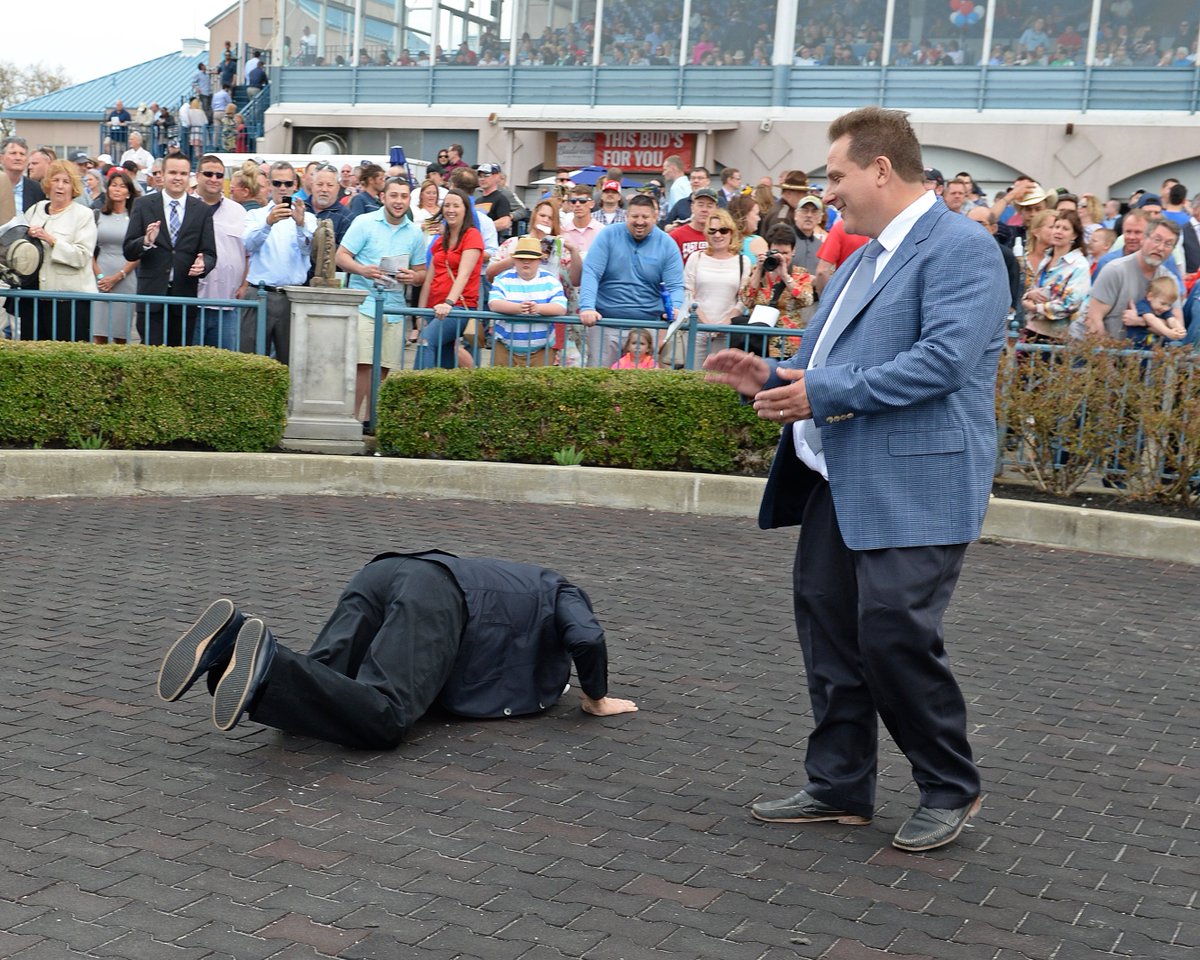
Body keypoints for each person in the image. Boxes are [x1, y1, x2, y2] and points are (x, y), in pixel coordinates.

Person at [704, 106, 1010, 853]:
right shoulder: (862, 259)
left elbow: (943, 362)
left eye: (837, 176)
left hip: (918, 485)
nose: (828, 191)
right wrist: (771, 376)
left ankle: (949, 786)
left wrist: (821, 392)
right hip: (837, 479)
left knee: (893, 635)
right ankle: (840, 785)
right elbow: (822, 365)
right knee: (832, 632)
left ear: (880, 168)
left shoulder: (964, 248)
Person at [156, 551, 637, 748]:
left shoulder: (528, 582)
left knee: (324, 688)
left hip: (384, 570)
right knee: (386, 717)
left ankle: (227, 649)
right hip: (437, 593)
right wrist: (595, 696)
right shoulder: (561, 589)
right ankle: (267, 657)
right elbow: (586, 637)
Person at [335, 176, 428, 418]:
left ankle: (372, 420)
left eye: (404, 196)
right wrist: (362, 270)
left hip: (395, 308)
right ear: (383, 197)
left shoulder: (415, 233)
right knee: (363, 364)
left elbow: (422, 272)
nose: (399, 201)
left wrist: (413, 277)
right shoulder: (364, 222)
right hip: (364, 304)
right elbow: (341, 256)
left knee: (385, 367)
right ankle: (352, 419)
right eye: (394, 195)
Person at [578, 193, 684, 369]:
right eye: (635, 216)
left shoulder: (667, 244)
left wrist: (675, 307)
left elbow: (675, 285)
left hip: (647, 327)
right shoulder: (608, 235)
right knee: (598, 378)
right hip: (606, 323)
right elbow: (591, 272)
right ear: (626, 215)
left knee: (643, 383)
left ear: (655, 217)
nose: (639, 221)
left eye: (645, 217)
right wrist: (587, 307)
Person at [123, 153, 217, 346]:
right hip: (151, 296)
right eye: (173, 172)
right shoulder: (143, 205)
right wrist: (146, 241)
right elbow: (129, 250)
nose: (177, 178)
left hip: (184, 297)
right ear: (163, 175)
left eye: (183, 173)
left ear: (189, 176)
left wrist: (203, 264)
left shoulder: (201, 210)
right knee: (151, 355)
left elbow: (210, 253)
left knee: (180, 356)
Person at [240, 161, 316, 363]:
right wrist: (268, 223)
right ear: (269, 184)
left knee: (292, 362)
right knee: (252, 362)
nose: (283, 188)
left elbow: (309, 250)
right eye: (277, 183)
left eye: (288, 183)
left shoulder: (308, 218)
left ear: (295, 186)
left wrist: (300, 225)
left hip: (293, 295)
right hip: (260, 293)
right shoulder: (255, 215)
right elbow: (248, 245)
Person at [22, 160, 98, 342]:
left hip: (69, 301)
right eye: (55, 180)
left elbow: (82, 256)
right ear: (48, 183)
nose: (60, 186)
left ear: (74, 187)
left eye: (66, 181)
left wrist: (51, 240)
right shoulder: (35, 209)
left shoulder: (83, 215)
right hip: (35, 296)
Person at [1079, 217, 1182, 340]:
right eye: (1157, 240)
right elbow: (1094, 319)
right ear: (1143, 239)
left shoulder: (1169, 280)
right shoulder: (1115, 270)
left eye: (1168, 244)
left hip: (1143, 350)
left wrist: (1141, 321)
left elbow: (1178, 329)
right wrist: (1105, 351)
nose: (1160, 247)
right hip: (1105, 346)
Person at [415, 187, 484, 369]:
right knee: (443, 359)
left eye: (456, 206)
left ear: (465, 210)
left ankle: (414, 386)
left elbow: (464, 274)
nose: (450, 210)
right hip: (434, 307)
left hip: (458, 306)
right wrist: (421, 313)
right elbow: (429, 279)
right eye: (446, 205)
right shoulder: (439, 240)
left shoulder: (472, 235)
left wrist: (449, 303)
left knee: (426, 341)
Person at [679, 208, 750, 366]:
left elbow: (743, 299)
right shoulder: (695, 258)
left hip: (728, 332)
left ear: (731, 233)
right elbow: (688, 293)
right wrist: (706, 323)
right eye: (712, 231)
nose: (717, 235)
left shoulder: (743, 261)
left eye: (723, 230)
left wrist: (724, 323)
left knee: (721, 379)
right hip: (697, 329)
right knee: (693, 376)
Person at [487, 234, 568, 366]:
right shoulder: (502, 278)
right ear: (514, 260)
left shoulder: (551, 280)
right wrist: (518, 308)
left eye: (531, 259)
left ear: (539, 260)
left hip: (542, 350)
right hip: (504, 348)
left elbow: (561, 307)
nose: (526, 262)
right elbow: (494, 303)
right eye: (521, 258)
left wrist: (538, 309)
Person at [735, 223, 813, 357]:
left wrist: (785, 276)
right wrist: (759, 270)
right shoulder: (757, 271)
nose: (781, 257)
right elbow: (746, 300)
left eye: (785, 253)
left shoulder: (800, 274)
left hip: (788, 344)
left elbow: (807, 300)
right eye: (777, 252)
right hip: (758, 343)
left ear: (793, 251)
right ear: (768, 250)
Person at [194, 155, 247, 351]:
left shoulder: (238, 212)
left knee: (226, 362)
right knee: (191, 362)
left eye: (219, 175)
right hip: (192, 302)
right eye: (208, 174)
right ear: (197, 176)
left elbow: (247, 253)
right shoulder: (186, 207)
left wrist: (245, 284)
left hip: (227, 303)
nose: (214, 179)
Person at [1020, 210, 1090, 344]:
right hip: (1031, 328)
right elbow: (1034, 288)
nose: (1058, 231)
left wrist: (1037, 308)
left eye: (1065, 229)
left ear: (1074, 235)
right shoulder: (1047, 258)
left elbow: (1071, 304)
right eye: (1056, 227)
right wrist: (1029, 295)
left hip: (1057, 336)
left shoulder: (1079, 265)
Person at [91, 170, 140, 344]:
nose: (117, 189)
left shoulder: (135, 218)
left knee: (121, 335)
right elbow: (89, 250)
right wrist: (101, 277)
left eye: (122, 186)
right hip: (100, 277)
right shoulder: (97, 215)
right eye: (114, 185)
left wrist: (118, 276)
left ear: (129, 192)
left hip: (126, 278)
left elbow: (139, 252)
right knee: (99, 333)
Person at [1127, 275, 1187, 348]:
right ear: (1150, 296)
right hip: (1135, 347)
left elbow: (1172, 320)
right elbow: (1152, 320)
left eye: (1169, 305)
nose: (1166, 308)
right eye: (1163, 303)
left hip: (1152, 347)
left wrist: (1180, 329)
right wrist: (1168, 332)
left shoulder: (1163, 309)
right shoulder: (1143, 305)